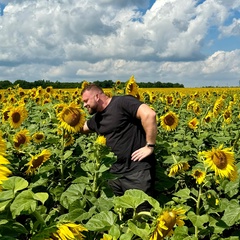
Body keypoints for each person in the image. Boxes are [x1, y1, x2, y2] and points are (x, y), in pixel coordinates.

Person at [80, 83, 157, 211]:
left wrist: (149, 145)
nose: (84, 105)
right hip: (113, 176)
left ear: (97, 96)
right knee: (115, 215)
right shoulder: (97, 119)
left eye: (86, 101)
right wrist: (68, 118)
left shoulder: (122, 103)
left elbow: (149, 115)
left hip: (135, 172)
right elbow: (82, 128)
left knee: (141, 215)